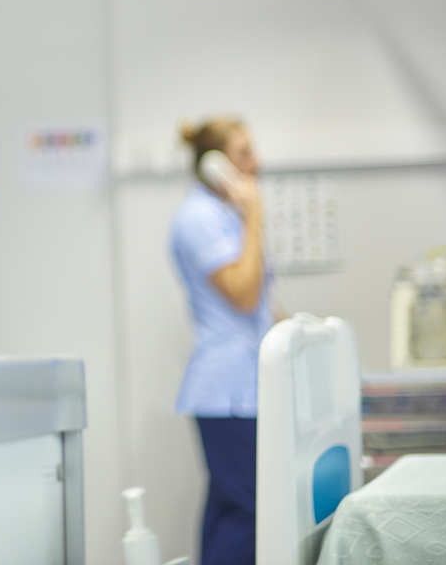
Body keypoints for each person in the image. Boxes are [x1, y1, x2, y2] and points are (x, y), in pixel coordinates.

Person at [170, 117, 275, 565]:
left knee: (232, 511)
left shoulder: (221, 216)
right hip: (228, 392)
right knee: (254, 512)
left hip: (248, 385)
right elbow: (244, 295)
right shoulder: (197, 219)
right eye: (244, 154)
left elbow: (265, 303)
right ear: (216, 166)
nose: (257, 163)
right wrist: (254, 218)